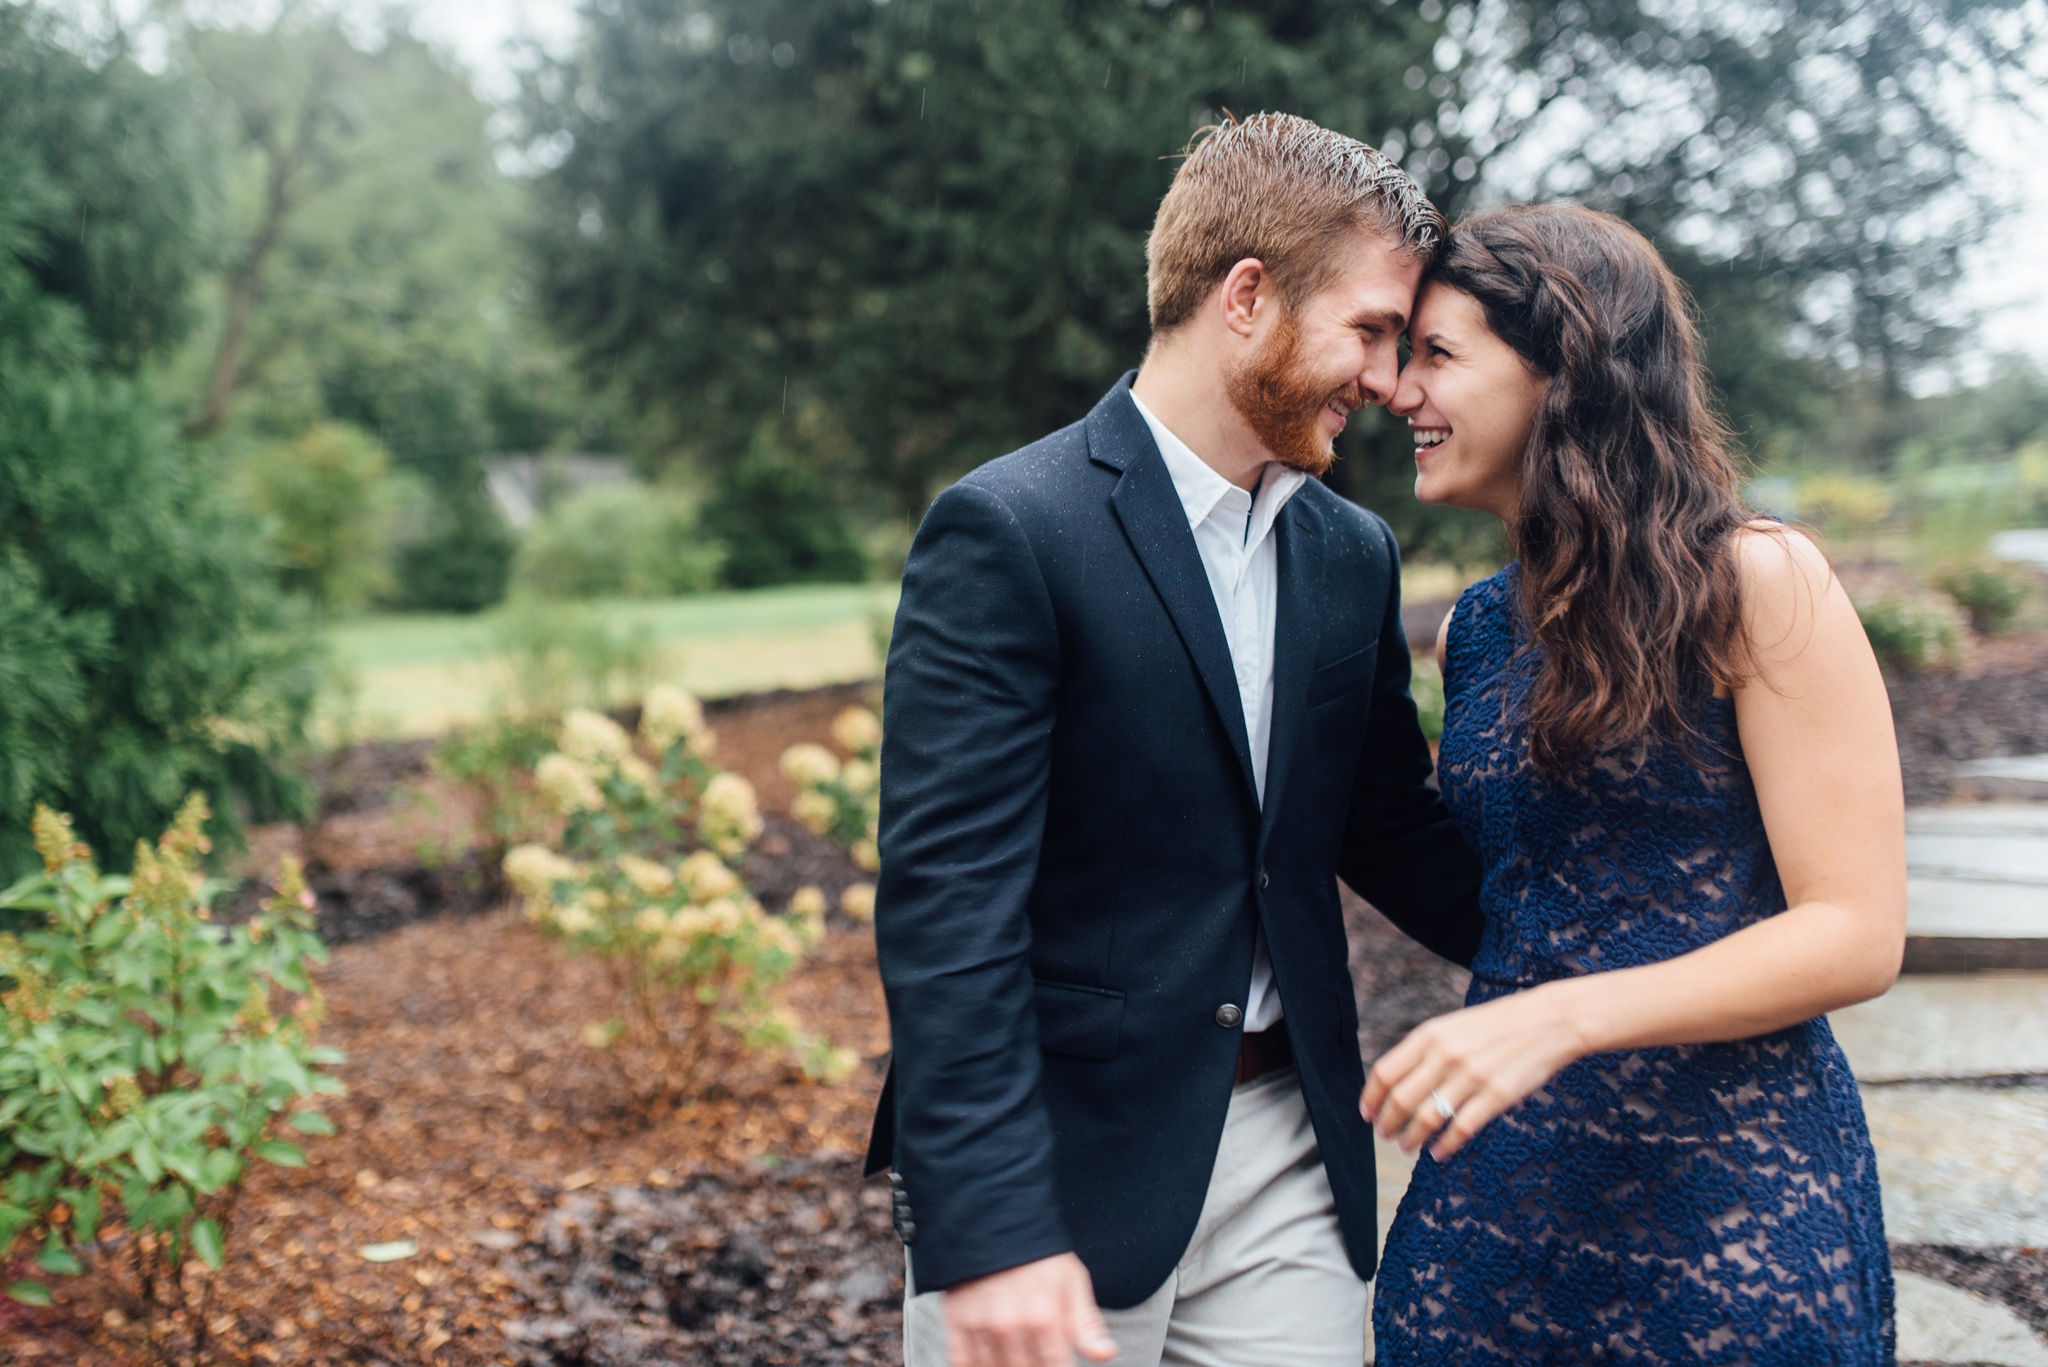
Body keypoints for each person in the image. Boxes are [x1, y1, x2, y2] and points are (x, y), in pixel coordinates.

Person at [866, 113, 1485, 1367]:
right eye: (1368, 330)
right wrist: (987, 1224)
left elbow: (1385, 825)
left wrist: (1621, 942)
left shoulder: (1348, 553)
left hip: (1288, 1151)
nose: (1387, 378)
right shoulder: (1008, 530)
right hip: (1061, 1160)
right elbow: (947, 906)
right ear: (1245, 296)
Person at [1366, 203, 1903, 1365]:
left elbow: (1853, 932)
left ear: (1563, 366)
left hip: (1730, 1195)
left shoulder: (1760, 580)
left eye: (1436, 354)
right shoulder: (1474, 628)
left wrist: (1560, 1014)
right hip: (1499, 1201)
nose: (1396, 390)